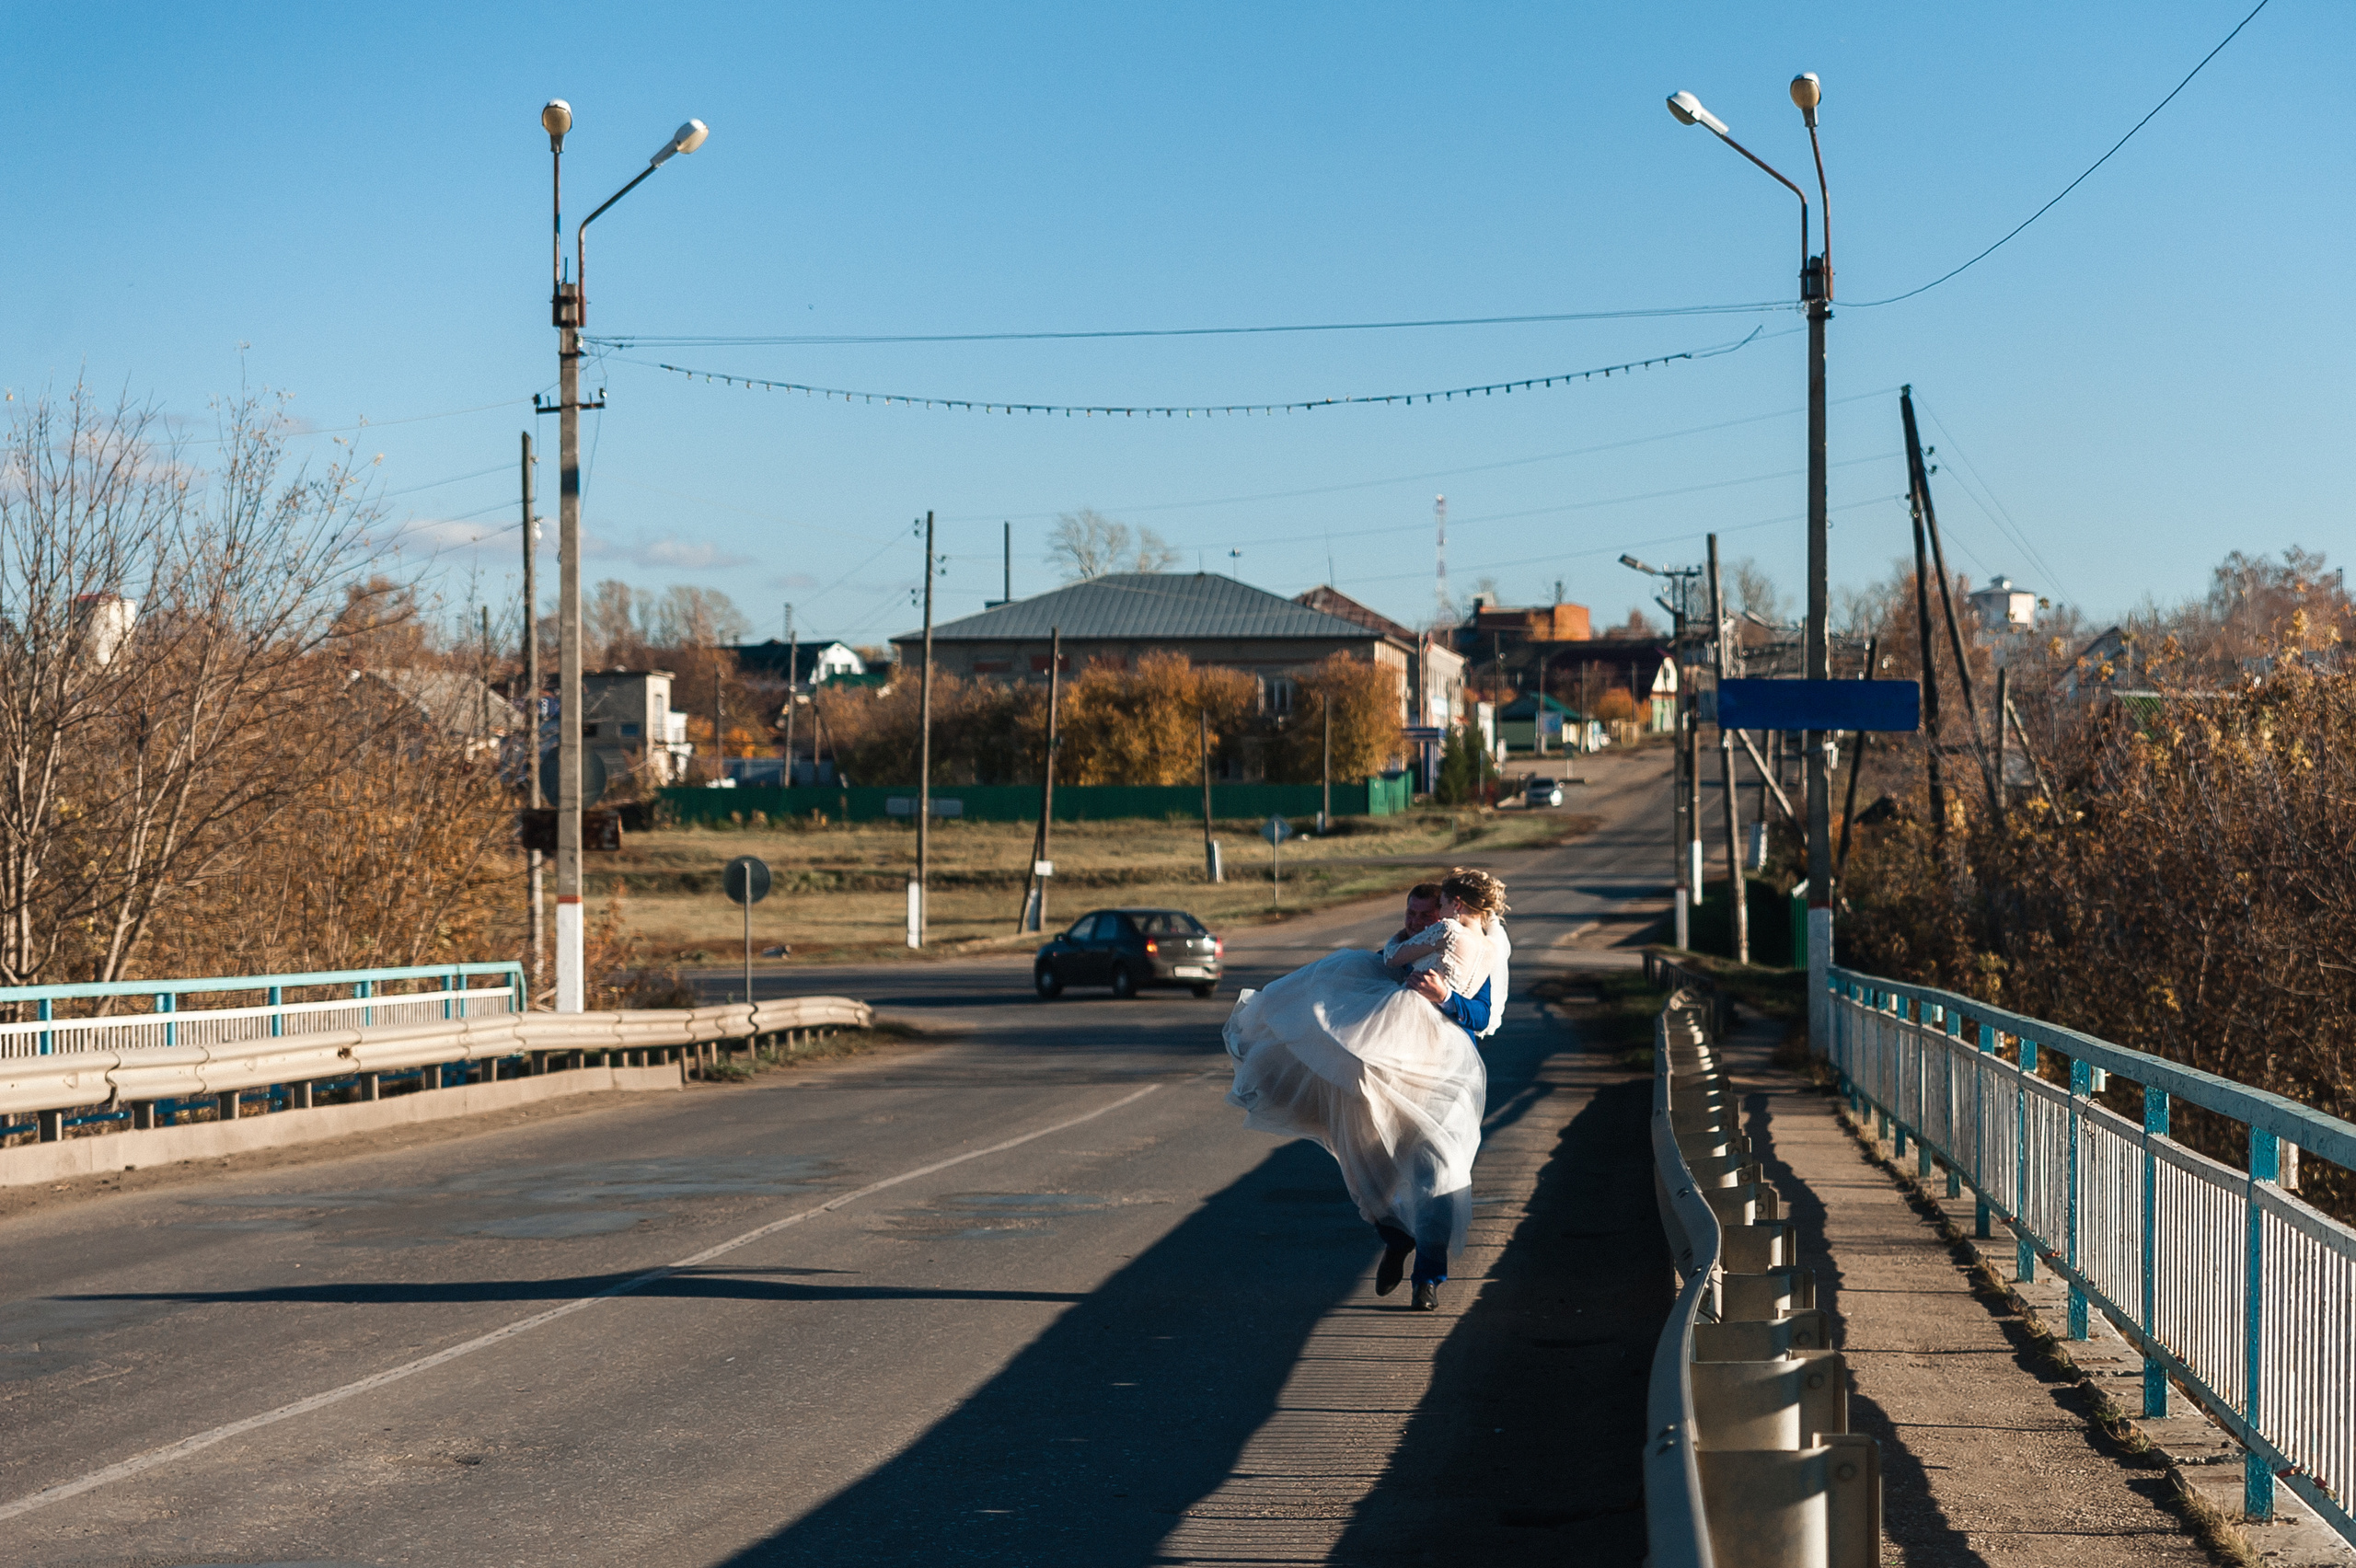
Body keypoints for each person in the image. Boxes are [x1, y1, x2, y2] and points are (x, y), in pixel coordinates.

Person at [1224, 868, 1510, 1310]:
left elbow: (1481, 1016)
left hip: (1442, 1077)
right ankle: (1395, 1237)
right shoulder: (1400, 946)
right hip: (1385, 1076)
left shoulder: (1469, 947)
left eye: (1423, 913)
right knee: (1364, 1160)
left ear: (1444, 911)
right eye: (1409, 913)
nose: (1415, 920)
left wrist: (1444, 998)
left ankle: (1427, 1280)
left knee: (1439, 1175)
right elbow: (1375, 981)